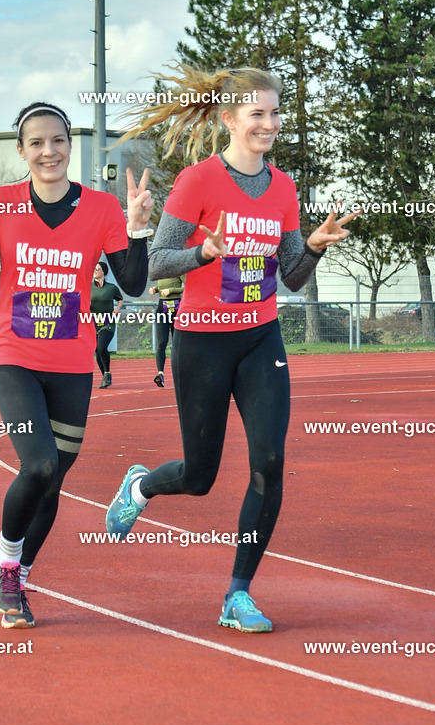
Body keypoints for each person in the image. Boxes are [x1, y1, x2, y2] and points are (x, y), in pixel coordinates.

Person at [106, 65, 358, 633]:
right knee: (200, 475)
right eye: (257, 114)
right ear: (229, 120)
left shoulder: (285, 187)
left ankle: (237, 594)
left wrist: (314, 245)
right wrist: (204, 254)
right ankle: (141, 485)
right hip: (201, 342)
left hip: (260, 338)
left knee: (269, 463)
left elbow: (291, 275)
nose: (269, 124)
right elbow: (153, 265)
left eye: (274, 113)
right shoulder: (198, 181)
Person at [0, 101, 153, 628]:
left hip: (71, 361)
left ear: (69, 145)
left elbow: (131, 284)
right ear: (23, 152)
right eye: (36, 143)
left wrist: (138, 230)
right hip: (14, 355)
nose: (49, 151)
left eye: (58, 141)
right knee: (36, 465)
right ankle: (6, 565)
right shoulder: (3, 203)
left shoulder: (103, 207)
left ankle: (19, 572)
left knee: (53, 480)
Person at [91, 261, 123, 388]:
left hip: (107, 322)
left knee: (102, 347)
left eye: (97, 269)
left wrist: (117, 309)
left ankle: (107, 373)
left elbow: (120, 299)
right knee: (97, 351)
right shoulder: (88, 287)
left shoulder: (111, 288)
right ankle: (105, 375)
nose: (95, 271)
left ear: (103, 272)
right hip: (93, 323)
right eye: (93, 269)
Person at [148, 276, 184, 386]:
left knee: (177, 343)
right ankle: (160, 374)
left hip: (176, 308)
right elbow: (161, 287)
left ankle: (181, 373)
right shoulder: (161, 271)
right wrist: (155, 289)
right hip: (162, 307)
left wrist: (171, 290)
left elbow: (188, 288)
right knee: (161, 342)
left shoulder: (179, 270)